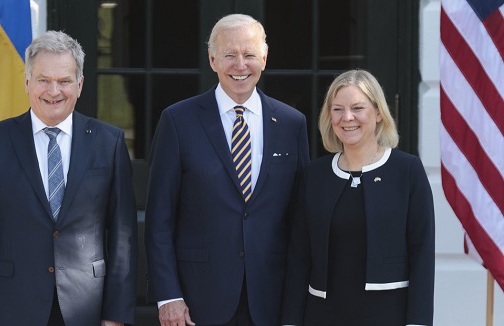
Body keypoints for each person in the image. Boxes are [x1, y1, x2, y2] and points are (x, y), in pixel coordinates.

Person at [0, 31, 138, 326]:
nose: (54, 91)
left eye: (64, 81)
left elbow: (123, 238)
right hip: (13, 307)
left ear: (79, 85)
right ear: (27, 83)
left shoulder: (109, 143)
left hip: (87, 308)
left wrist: (116, 317)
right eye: (43, 80)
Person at [144, 13, 310, 326]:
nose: (240, 65)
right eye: (229, 55)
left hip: (271, 299)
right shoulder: (178, 121)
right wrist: (169, 296)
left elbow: (299, 222)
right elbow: (159, 219)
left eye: (249, 55)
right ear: (212, 59)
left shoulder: (291, 124)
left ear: (264, 57)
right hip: (197, 302)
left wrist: (296, 303)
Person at [281, 69, 435, 325]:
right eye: (338, 109)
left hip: (387, 315)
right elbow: (299, 257)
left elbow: (422, 255)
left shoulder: (407, 172)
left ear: (377, 113)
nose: (347, 117)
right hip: (322, 315)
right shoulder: (314, 175)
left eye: (357, 107)